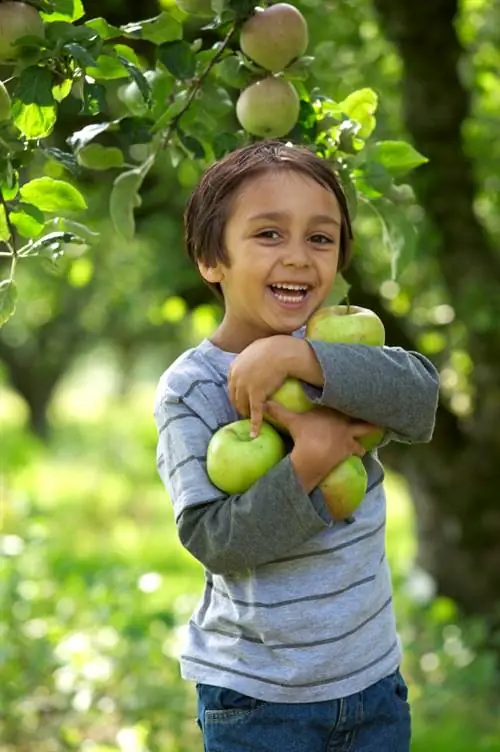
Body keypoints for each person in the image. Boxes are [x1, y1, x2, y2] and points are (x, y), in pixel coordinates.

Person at [154, 139, 439, 752]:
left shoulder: (342, 353)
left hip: (373, 683)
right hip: (259, 701)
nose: (299, 258)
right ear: (212, 257)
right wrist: (311, 462)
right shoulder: (193, 390)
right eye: (268, 235)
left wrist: (298, 354)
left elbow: (420, 400)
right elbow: (214, 540)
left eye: (320, 238)